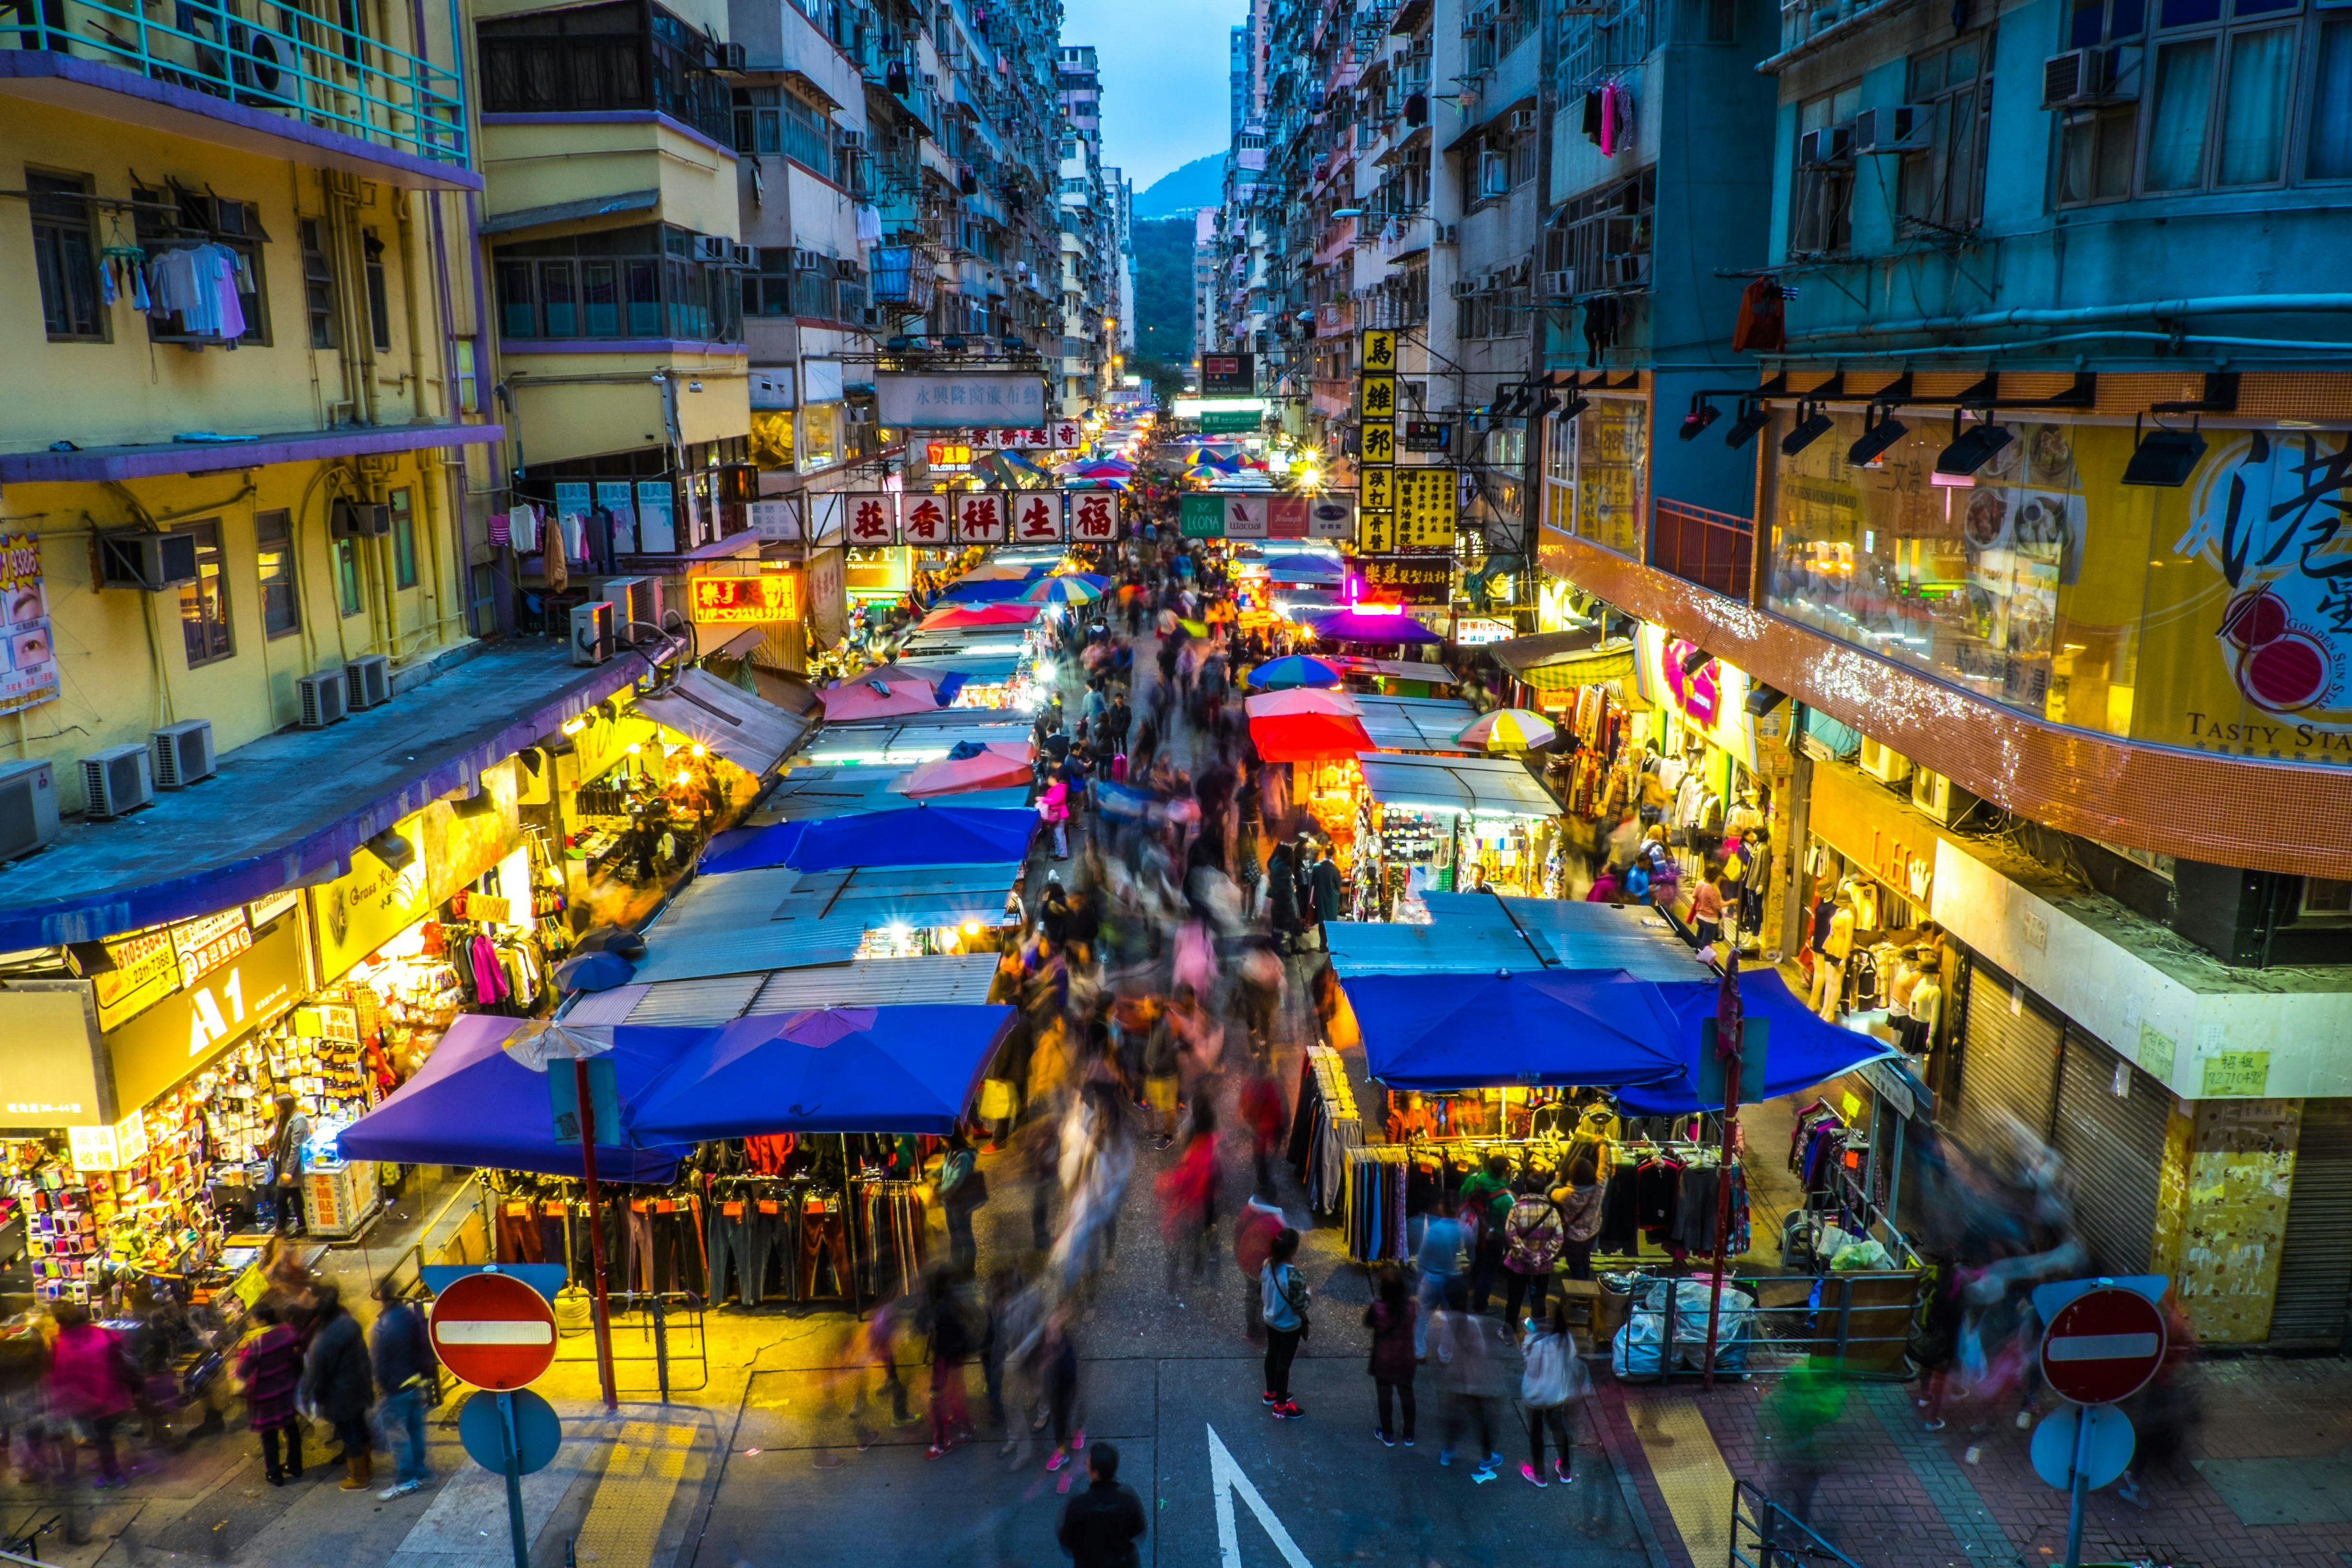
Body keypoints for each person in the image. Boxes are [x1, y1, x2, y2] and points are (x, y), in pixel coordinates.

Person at [47, 1303, 132, 1490]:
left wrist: (56, 1404)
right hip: (113, 1395)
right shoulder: (102, 1334)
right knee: (106, 1436)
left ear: (62, 1323)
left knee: (102, 1439)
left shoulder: (65, 1346)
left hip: (91, 1402)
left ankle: (113, 1476)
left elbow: (61, 1377)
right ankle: (111, 1468)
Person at [300, 1284, 377, 1491]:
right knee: (360, 1425)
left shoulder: (321, 1341)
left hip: (338, 1395)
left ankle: (359, 1478)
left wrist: (306, 1398)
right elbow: (364, 1356)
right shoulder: (350, 1324)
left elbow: (313, 1374)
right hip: (359, 1385)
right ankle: (367, 1465)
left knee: (348, 1433)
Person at [369, 1278, 435, 1498]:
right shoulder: (409, 1317)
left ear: (383, 1299)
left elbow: (379, 1363)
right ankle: (421, 1472)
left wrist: (382, 1387)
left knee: (399, 1436)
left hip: (395, 1388)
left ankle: (406, 1480)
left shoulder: (382, 1327)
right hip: (414, 1383)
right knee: (416, 1429)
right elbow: (423, 1346)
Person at [1429, 1281, 1501, 1482]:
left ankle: (1448, 1452)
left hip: (1455, 1378)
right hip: (1475, 1380)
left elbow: (1443, 1353)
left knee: (1453, 1417)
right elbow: (1481, 1350)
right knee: (1480, 1419)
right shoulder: (1472, 1322)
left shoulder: (1446, 1322)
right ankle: (1487, 1457)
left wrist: (1446, 1364)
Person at [1519, 1297, 1586, 1488]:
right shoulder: (1565, 1338)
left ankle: (1539, 1474)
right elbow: (1571, 1357)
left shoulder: (1537, 1343)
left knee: (1537, 1433)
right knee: (1559, 1428)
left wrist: (1529, 1339)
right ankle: (1565, 1469)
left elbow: (1531, 1368)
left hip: (1536, 1395)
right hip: (1557, 1393)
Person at [238, 1300, 306, 1485]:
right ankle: (295, 1465)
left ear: (261, 1321)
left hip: (265, 1397)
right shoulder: (288, 1332)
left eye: (252, 1319)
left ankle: (274, 1473)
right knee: (291, 1428)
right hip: (286, 1389)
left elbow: (242, 1372)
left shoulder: (255, 1345)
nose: (250, 1322)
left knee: (269, 1435)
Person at [1055, 1439, 1147, 1567]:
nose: (1085, 1462)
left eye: (1088, 1460)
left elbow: (1067, 1540)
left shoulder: (1078, 1505)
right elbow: (1138, 1529)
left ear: (1095, 1473)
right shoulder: (1127, 1501)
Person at [918, 1269, 976, 1459]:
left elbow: (925, 1325)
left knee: (937, 1397)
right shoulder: (952, 1299)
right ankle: (965, 1428)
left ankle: (941, 1444)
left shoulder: (939, 1306)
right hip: (956, 1353)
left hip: (945, 1354)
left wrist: (928, 1322)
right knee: (955, 1391)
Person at [1363, 1264, 1417, 1447]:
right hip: (1406, 1358)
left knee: (1385, 1397)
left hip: (1383, 1360)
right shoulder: (1411, 1307)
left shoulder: (1378, 1308)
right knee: (1407, 1395)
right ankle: (1409, 1434)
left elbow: (1368, 1323)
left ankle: (1388, 1434)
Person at [1501, 1182, 1565, 1335]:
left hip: (1518, 1264)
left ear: (1526, 1188)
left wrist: (1527, 1254)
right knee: (1539, 1300)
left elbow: (1510, 1235)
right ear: (1543, 1190)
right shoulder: (1552, 1212)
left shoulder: (1516, 1209)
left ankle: (1509, 1333)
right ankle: (1538, 1334)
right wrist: (1541, 1256)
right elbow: (1558, 1238)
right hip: (1542, 1267)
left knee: (1514, 1300)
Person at [1259, 1228, 1310, 1420]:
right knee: (1284, 1363)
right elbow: (1300, 1305)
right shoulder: (1294, 1276)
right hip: (1289, 1325)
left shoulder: (1267, 1265)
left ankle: (1271, 1393)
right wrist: (1309, 1294)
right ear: (1293, 1251)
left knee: (1272, 1353)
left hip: (1270, 1319)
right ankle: (1281, 1406)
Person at [1457, 1155, 1515, 1315]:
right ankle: (1480, 1305)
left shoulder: (1473, 1180)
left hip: (1472, 1230)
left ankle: (1473, 1287)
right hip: (1493, 1237)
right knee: (1488, 1271)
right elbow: (1509, 1222)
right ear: (1505, 1173)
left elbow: (1462, 1195)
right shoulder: (1506, 1198)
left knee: (1476, 1262)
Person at [1413, 1210, 1464, 1359]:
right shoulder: (1460, 1230)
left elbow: (1422, 1259)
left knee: (1423, 1317)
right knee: (1450, 1320)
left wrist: (1420, 1279)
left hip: (1431, 1278)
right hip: (1450, 1280)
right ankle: (1445, 1354)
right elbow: (1462, 1255)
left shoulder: (1433, 1230)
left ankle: (1419, 1351)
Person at [937, 1133, 989, 1277]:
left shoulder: (963, 1158)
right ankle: (955, 1265)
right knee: (954, 1236)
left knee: (965, 1236)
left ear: (950, 1138)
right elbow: (943, 1168)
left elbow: (956, 1181)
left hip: (961, 1204)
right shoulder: (950, 1152)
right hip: (949, 1202)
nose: (941, 1141)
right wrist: (933, 1176)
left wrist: (940, 1192)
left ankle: (968, 1270)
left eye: (942, 1139)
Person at [1551, 1152, 1605, 1281]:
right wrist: (1603, 1148)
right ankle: (1585, 1282)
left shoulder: (1566, 1195)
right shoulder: (1598, 1189)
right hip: (1592, 1231)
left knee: (1575, 1262)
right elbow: (1604, 1169)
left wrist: (1557, 1180)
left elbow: (1552, 1192)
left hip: (1574, 1236)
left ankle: (1581, 1287)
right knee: (1585, 1257)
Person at [268, 1093, 311, 1235]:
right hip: (285, 1165)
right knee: (295, 1195)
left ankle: (282, 1226)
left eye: (278, 1106)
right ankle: (301, 1225)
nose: (276, 1109)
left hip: (293, 1167)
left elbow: (296, 1148)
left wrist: (288, 1171)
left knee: (281, 1198)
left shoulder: (299, 1121)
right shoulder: (286, 1118)